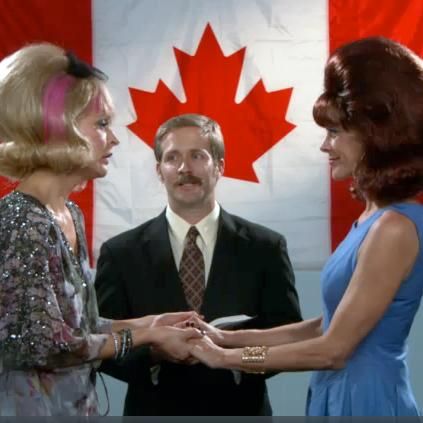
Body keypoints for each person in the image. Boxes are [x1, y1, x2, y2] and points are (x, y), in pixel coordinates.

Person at [187, 36, 423, 416]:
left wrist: (225, 358)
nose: (325, 146)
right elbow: (323, 326)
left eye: (335, 132)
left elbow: (333, 350)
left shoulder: (394, 227)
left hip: (368, 400)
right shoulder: (373, 218)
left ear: (376, 135)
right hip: (341, 392)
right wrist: (226, 339)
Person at [0, 43, 201, 416]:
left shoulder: (70, 214)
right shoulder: (21, 222)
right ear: (58, 126)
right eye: (102, 124)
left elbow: (84, 326)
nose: (114, 138)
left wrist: (151, 322)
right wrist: (146, 336)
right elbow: (44, 346)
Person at [94, 113, 302, 416]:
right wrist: (154, 354)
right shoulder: (120, 253)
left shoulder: (265, 247)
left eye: (197, 156)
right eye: (172, 157)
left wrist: (236, 358)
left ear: (220, 166)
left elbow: (287, 340)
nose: (184, 168)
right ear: (159, 170)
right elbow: (101, 346)